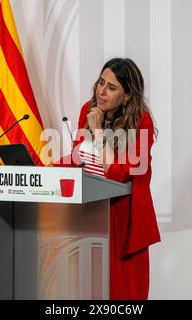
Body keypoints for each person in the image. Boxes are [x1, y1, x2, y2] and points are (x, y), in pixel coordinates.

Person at [57, 58, 161, 299]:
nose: (101, 91)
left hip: (124, 219)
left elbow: (120, 173)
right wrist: (43, 166)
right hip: (90, 214)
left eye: (111, 87)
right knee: (88, 291)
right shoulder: (89, 110)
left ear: (127, 96)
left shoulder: (141, 122)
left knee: (124, 294)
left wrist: (99, 132)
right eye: (100, 82)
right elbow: (79, 156)